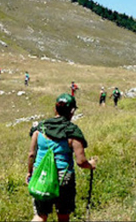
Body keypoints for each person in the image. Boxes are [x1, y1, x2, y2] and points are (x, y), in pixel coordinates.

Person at [27, 93, 97, 222]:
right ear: (72, 111)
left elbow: (31, 154)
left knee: (40, 215)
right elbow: (81, 161)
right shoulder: (72, 131)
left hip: (41, 174)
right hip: (63, 177)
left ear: (55, 108)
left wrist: (30, 172)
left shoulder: (40, 128)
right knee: (63, 215)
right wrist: (91, 164)